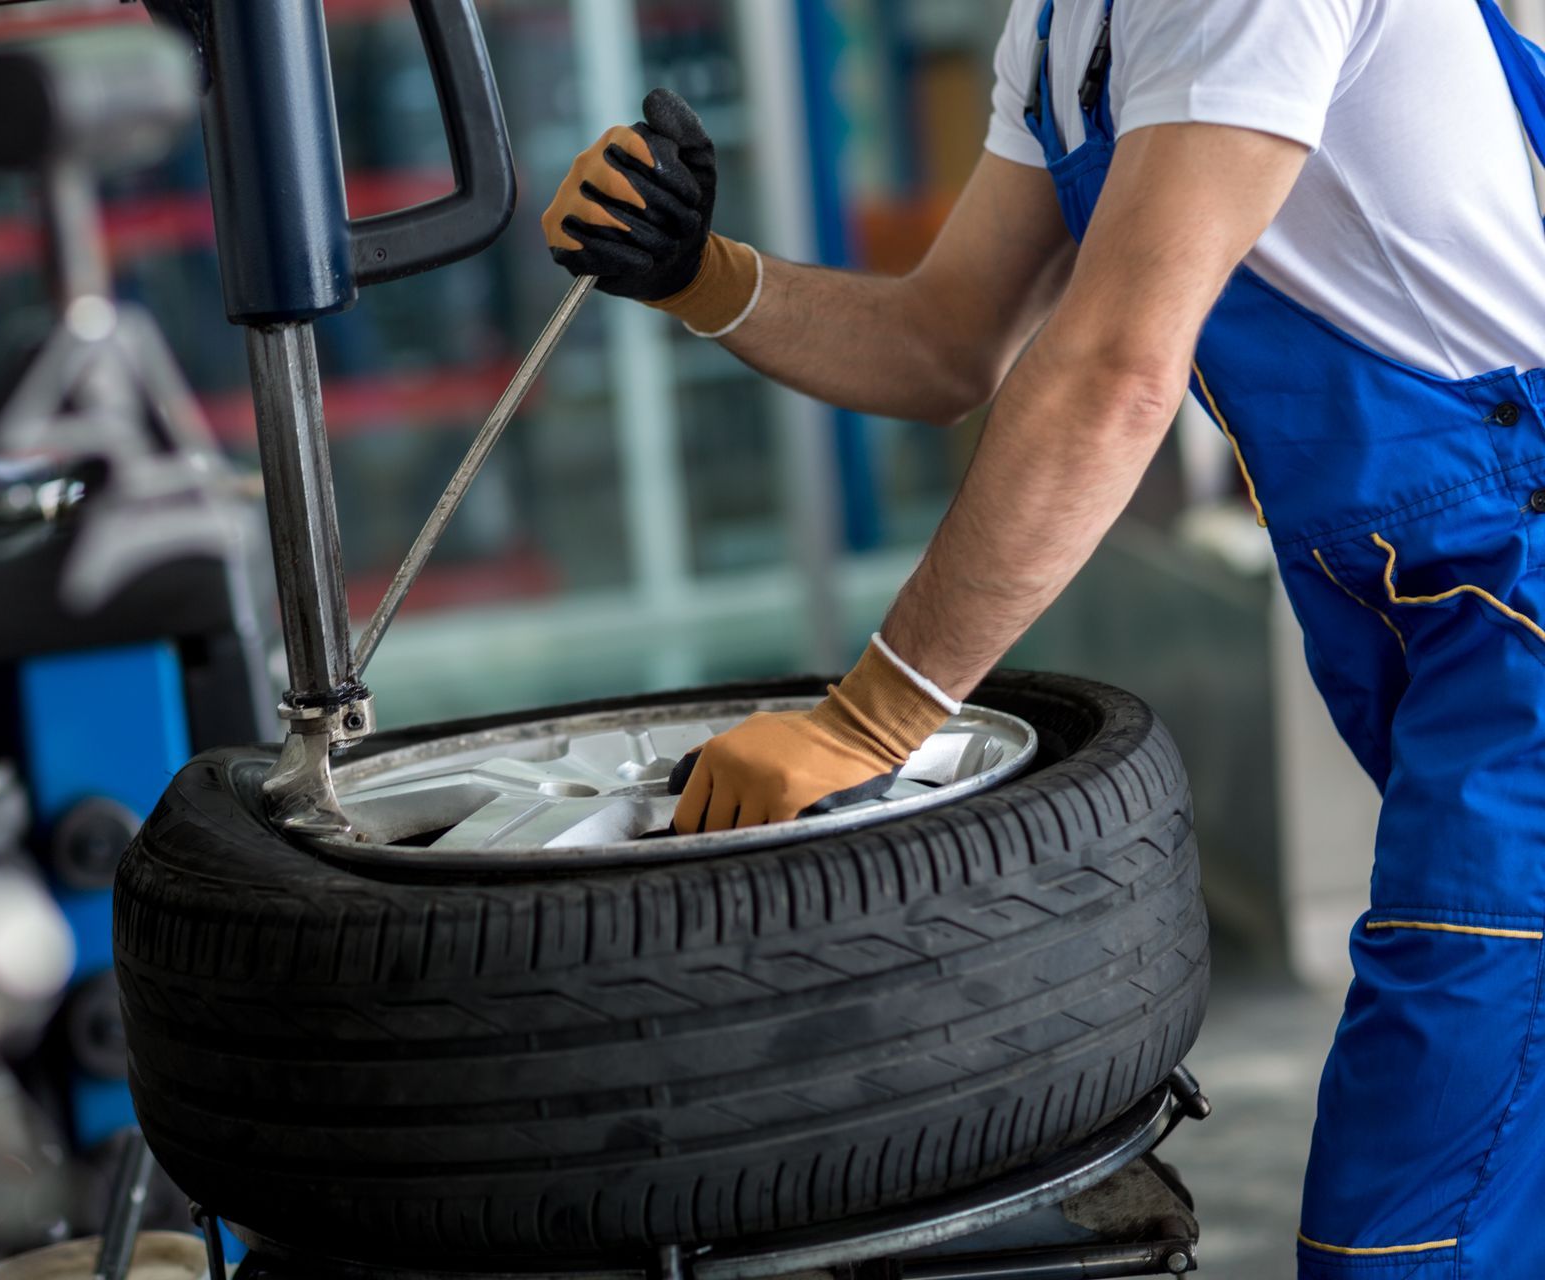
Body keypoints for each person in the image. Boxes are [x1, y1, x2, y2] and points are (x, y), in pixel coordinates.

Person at [542, 0, 1545, 1273]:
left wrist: (873, 716)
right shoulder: (1064, 29)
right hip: (1426, 609)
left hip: (1514, 595)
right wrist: (703, 276)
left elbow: (1118, 365)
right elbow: (946, 341)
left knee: (1413, 1222)